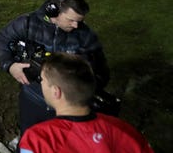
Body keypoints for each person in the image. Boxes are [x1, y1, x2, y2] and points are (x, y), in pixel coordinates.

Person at [0, 0, 110, 144]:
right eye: (71, 20)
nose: (76, 25)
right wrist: (9, 65)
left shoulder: (85, 35)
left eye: (79, 21)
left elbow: (102, 70)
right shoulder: (27, 23)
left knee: (58, 141)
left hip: (66, 106)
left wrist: (84, 90)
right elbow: (3, 38)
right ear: (54, 12)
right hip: (32, 97)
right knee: (28, 133)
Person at [18, 53, 154, 153]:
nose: (41, 84)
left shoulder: (39, 139)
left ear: (56, 92)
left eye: (42, 81)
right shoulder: (125, 130)